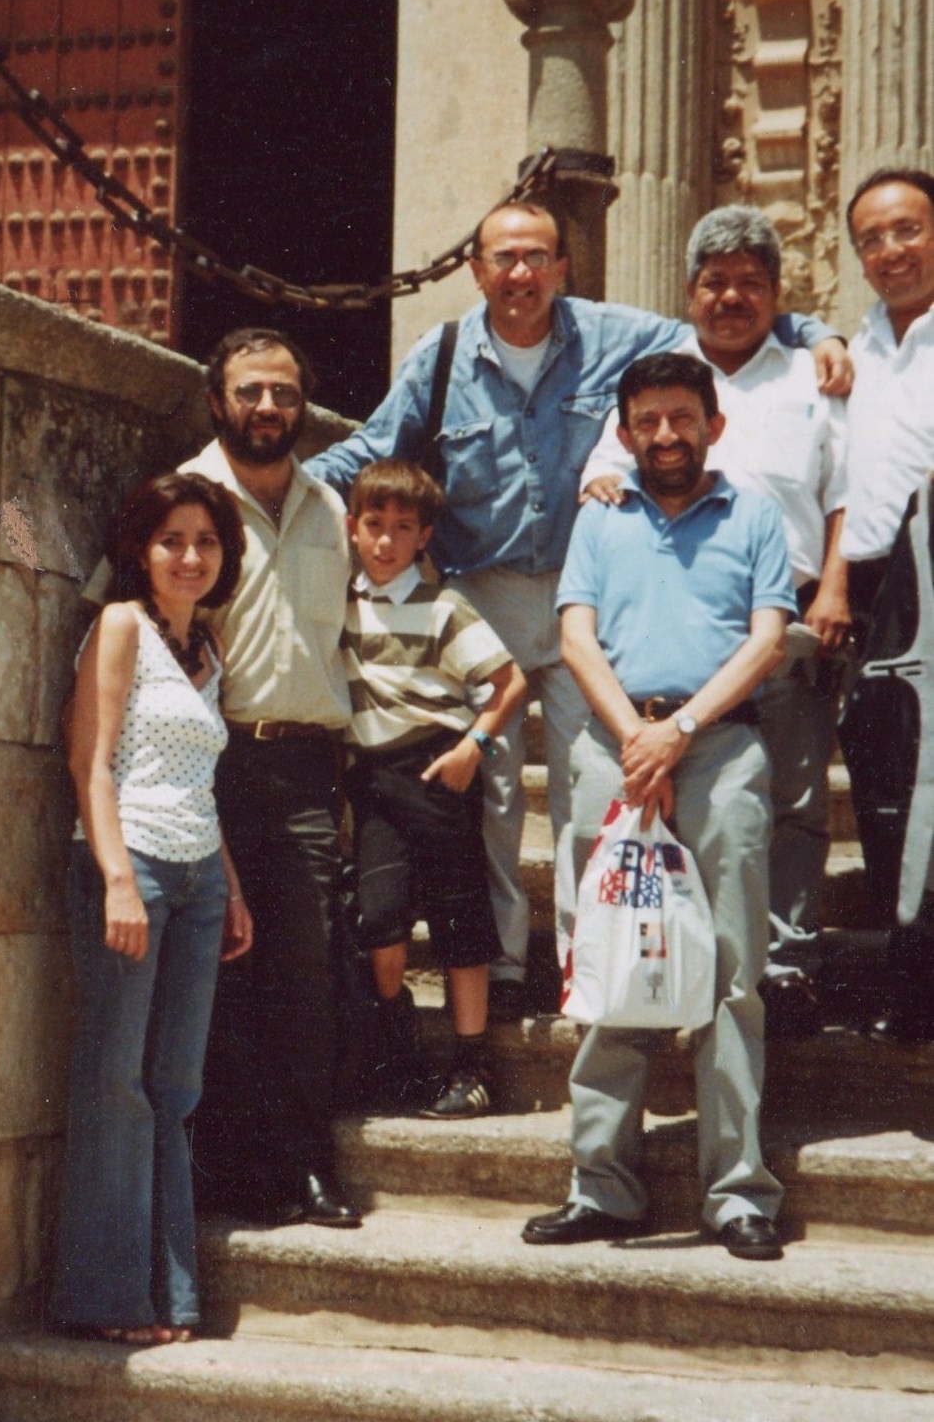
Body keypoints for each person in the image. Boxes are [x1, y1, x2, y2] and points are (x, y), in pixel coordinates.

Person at [307, 201, 849, 1020]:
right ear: (476, 269)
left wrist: (815, 333)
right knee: (487, 796)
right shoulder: (443, 353)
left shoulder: (621, 334)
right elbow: (374, 447)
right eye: (504, 258)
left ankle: (577, 958)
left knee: (581, 787)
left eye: (537, 257)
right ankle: (506, 965)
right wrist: (258, 490)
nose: (520, 274)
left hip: (576, 596)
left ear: (563, 268)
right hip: (479, 591)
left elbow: (726, 320)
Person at [522, 352, 795, 1260]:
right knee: (609, 959)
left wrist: (678, 729)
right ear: (628, 430)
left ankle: (739, 1192)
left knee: (732, 972)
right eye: (648, 420)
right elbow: (575, 635)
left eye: (683, 417)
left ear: (713, 425)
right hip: (616, 748)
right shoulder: (601, 517)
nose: (666, 435)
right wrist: (638, 740)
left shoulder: (753, 514)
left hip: (720, 750)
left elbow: (766, 641)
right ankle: (603, 1184)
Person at [581, 206, 849, 1036]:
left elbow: (844, 493)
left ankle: (786, 957)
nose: (731, 298)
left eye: (750, 284)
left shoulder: (814, 373)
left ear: (776, 294)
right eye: (714, 283)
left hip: (790, 615)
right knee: (700, 802)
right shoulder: (658, 380)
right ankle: (681, 957)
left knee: (796, 798)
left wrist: (834, 586)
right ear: (689, 293)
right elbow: (602, 479)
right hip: (681, 623)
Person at [48, 471, 252, 1343]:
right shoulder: (121, 625)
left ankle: (171, 1297)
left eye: (206, 542)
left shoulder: (206, 650)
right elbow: (88, 763)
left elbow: (200, 781)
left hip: (201, 876)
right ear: (142, 549)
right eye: (173, 540)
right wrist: (119, 879)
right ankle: (109, 1298)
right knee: (116, 1084)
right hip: (130, 870)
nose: (190, 556)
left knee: (175, 1087)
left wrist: (231, 888)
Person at [185, 328, 363, 1228]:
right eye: (251, 392)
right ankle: (221, 1174)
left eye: (284, 395)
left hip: (301, 769)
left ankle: (304, 1171)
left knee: (303, 974)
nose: (268, 409)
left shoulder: (334, 510)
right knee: (209, 973)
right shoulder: (186, 498)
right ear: (218, 400)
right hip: (205, 768)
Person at [341, 459, 527, 1116]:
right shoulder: (337, 604)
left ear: (424, 536)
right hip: (374, 779)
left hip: (437, 769)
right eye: (374, 525)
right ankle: (401, 1051)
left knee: (458, 920)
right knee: (380, 923)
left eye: (403, 528)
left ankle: (471, 1066)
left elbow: (510, 684)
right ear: (352, 529)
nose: (386, 541)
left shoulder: (444, 607)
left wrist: (472, 748)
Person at [836, 169, 934, 1042]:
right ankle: (913, 987)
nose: (891, 251)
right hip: (870, 591)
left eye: (908, 230)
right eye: (872, 238)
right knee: (887, 787)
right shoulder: (856, 345)